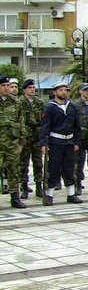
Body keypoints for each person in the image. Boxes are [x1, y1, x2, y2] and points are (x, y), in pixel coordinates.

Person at [39, 82, 82, 206]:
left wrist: (77, 142)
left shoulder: (72, 106)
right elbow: (45, 126)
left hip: (69, 141)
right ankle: (49, 195)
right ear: (55, 92)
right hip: (55, 142)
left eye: (65, 90)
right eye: (61, 90)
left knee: (69, 168)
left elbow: (77, 126)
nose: (64, 92)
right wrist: (44, 143)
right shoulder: (50, 107)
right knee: (53, 168)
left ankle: (71, 194)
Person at [0, 76, 27, 208]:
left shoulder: (16, 102)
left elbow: (21, 122)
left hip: (12, 143)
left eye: (7, 85)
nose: (6, 88)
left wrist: (21, 143)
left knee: (13, 171)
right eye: (3, 85)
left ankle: (15, 198)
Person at [18, 79, 44, 200]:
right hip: (26, 137)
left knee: (38, 163)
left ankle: (39, 187)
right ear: (24, 90)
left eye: (33, 87)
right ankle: (24, 187)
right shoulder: (19, 102)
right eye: (29, 88)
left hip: (37, 136)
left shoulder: (39, 102)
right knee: (24, 163)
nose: (32, 90)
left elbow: (44, 119)